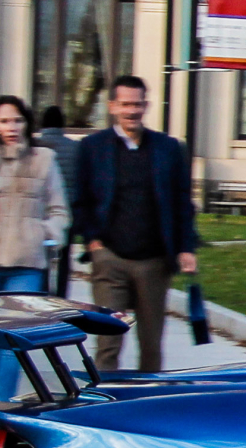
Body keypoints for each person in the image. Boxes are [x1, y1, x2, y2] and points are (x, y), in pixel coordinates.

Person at [70, 76, 199, 377]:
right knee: (108, 342)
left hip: (154, 261)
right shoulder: (92, 148)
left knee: (151, 343)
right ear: (112, 106)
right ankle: (103, 402)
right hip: (110, 259)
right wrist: (93, 243)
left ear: (147, 105)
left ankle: (146, 402)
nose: (132, 110)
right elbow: (79, 199)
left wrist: (186, 247)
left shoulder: (168, 149)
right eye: (125, 104)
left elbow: (182, 202)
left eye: (138, 104)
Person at [0, 94, 71, 403]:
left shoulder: (42, 159)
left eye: (17, 120)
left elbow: (60, 211)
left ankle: (2, 411)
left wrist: (43, 233)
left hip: (26, 262)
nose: (11, 127)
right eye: (4, 121)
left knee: (14, 341)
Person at [34, 106, 78, 295]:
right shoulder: (75, 147)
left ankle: (42, 291)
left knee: (40, 255)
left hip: (40, 211)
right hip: (68, 211)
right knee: (65, 256)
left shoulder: (35, 148)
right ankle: (61, 295)